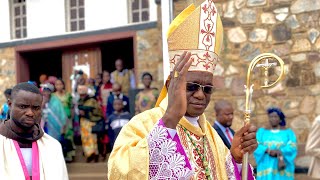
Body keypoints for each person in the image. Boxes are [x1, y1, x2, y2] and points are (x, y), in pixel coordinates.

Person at [108, 1, 257, 179]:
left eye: (207, 89)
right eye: (191, 86)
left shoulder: (212, 136)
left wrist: (237, 159)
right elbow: (121, 172)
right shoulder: (142, 124)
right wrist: (170, 118)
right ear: (172, 85)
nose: (201, 95)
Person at [0, 82, 68, 179]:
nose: (30, 113)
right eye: (23, 107)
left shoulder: (52, 146)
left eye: (36, 108)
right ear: (10, 105)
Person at [254, 107, 297, 180]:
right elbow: (256, 144)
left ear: (280, 119)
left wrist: (280, 151)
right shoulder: (262, 132)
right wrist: (268, 151)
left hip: (283, 166)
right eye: (271, 117)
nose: (273, 119)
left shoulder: (288, 133)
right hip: (266, 165)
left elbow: (292, 146)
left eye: (275, 116)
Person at [78, 85, 103, 163]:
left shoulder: (92, 100)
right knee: (85, 139)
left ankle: (95, 154)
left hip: (91, 121)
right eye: (80, 94)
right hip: (83, 122)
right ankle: (88, 154)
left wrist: (87, 112)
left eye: (83, 94)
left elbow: (97, 111)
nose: (82, 96)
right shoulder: (80, 101)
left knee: (93, 139)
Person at [53, 79, 75, 162]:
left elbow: (72, 106)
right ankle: (60, 155)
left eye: (60, 84)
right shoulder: (53, 96)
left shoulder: (68, 95)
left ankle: (69, 154)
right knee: (58, 136)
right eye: (57, 84)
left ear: (63, 85)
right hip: (57, 118)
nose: (59, 86)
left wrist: (72, 117)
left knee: (68, 135)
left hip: (67, 117)